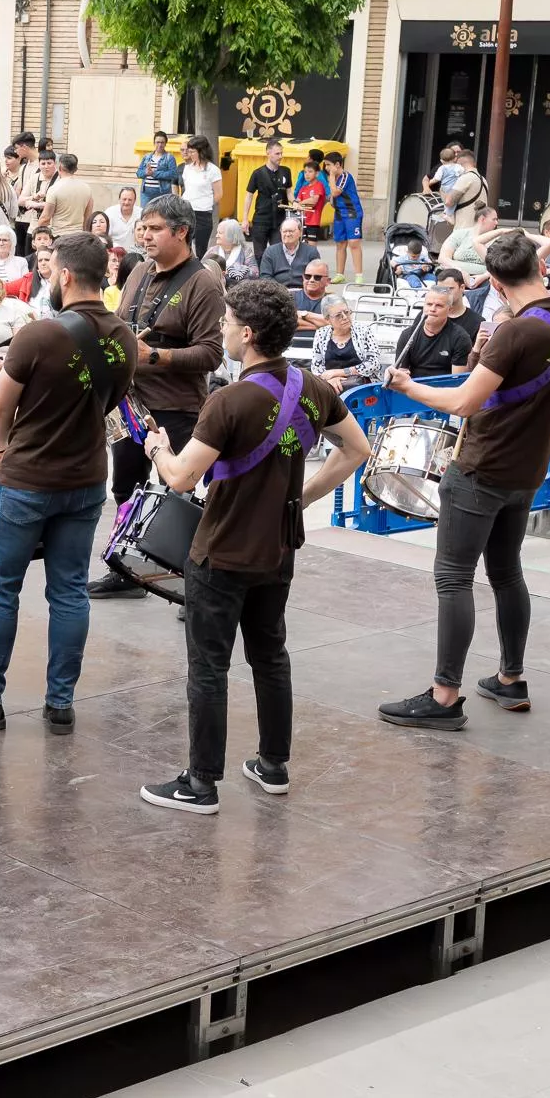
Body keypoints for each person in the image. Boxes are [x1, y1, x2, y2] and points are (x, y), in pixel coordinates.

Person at [137, 279, 372, 813]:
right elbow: (355, 449)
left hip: (222, 549)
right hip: (278, 548)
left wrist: (157, 447)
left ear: (247, 334)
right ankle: (273, 765)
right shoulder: (314, 388)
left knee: (209, 665)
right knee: (270, 655)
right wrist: (301, 498)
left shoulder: (229, 400)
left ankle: (200, 783)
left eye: (225, 322)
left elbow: (178, 477)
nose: (220, 328)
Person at [378, 234, 550, 731]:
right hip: (527, 473)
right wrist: (549, 426)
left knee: (454, 578)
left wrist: (406, 386)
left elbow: (464, 403)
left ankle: (444, 697)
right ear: (537, 268)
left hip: (481, 469)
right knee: (507, 572)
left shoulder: (514, 332)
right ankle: (511, 680)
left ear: (498, 285)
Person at [0, 234, 141, 735]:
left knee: (0, 588)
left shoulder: (37, 335)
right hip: (88, 479)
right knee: (70, 590)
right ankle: (60, 703)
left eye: (51, 272)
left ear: (65, 275)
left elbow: (1, 411)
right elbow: (112, 403)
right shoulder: (125, 339)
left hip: (27, 479)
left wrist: (1, 449)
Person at [90, 193, 226, 598]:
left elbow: (212, 354)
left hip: (176, 408)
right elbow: (119, 325)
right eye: (142, 228)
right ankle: (125, 572)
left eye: (154, 229)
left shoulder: (203, 282)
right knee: (126, 489)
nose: (144, 236)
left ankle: (195, 584)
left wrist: (156, 354)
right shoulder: (138, 273)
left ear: (182, 232)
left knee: (180, 495)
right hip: (129, 405)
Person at [394, 286, 475, 378]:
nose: (432, 309)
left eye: (439, 305)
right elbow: (401, 372)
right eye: (429, 304)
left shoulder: (460, 338)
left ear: (449, 310)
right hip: (412, 387)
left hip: (445, 389)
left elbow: (456, 379)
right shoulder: (408, 335)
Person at [311, 295, 383, 390]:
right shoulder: (321, 334)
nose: (345, 317)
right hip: (330, 387)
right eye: (338, 315)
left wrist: (339, 373)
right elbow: (316, 369)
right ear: (327, 320)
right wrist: (331, 380)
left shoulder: (364, 331)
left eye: (346, 312)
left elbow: (374, 363)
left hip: (362, 387)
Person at [244, 141, 293, 254]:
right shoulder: (258, 173)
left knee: (277, 253)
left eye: (281, 153)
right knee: (259, 254)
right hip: (261, 219)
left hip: (279, 219)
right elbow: (249, 195)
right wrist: (245, 219)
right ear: (268, 153)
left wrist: (294, 201)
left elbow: (289, 191)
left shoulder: (286, 171)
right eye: (277, 154)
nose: (280, 156)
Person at [323, 151, 364, 281]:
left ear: (337, 164)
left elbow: (335, 192)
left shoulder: (345, 176)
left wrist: (331, 176)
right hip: (339, 213)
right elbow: (331, 197)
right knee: (340, 244)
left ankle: (359, 275)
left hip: (352, 212)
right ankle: (340, 274)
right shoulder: (332, 178)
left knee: (354, 243)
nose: (326, 168)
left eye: (328, 165)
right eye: (325, 165)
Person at [257, 217, 320, 289]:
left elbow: (317, 276)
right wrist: (280, 291)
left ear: (300, 232)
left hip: (304, 292)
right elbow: (265, 277)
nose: (287, 234)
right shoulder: (270, 252)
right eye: (284, 231)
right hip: (277, 293)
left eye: (291, 231)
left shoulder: (311, 252)